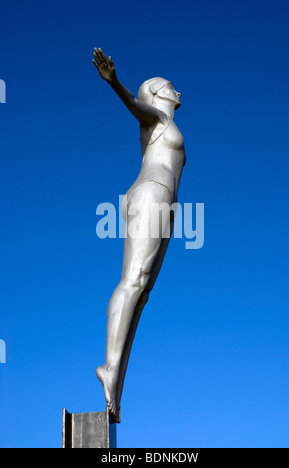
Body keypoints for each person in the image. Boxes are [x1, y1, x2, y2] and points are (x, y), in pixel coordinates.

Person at [92, 48, 186, 422]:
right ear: (160, 92)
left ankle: (116, 383)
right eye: (174, 88)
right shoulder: (159, 118)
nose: (181, 93)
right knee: (132, 282)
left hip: (165, 203)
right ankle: (109, 368)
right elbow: (135, 105)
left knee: (143, 291)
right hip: (152, 191)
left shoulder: (165, 122)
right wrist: (114, 81)